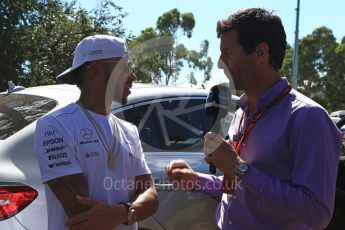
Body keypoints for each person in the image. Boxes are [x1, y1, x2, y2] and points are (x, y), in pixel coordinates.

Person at [166, 8, 343, 230]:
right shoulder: (241, 112)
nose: (220, 63)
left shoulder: (308, 117)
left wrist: (239, 168)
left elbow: (316, 212)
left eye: (228, 53)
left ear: (261, 52)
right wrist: (197, 180)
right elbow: (242, 187)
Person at [34, 35, 158, 230]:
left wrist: (122, 213)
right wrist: (130, 211)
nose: (133, 76)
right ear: (96, 72)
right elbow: (83, 214)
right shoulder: (54, 125)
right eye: (126, 67)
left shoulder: (129, 130)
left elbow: (151, 195)